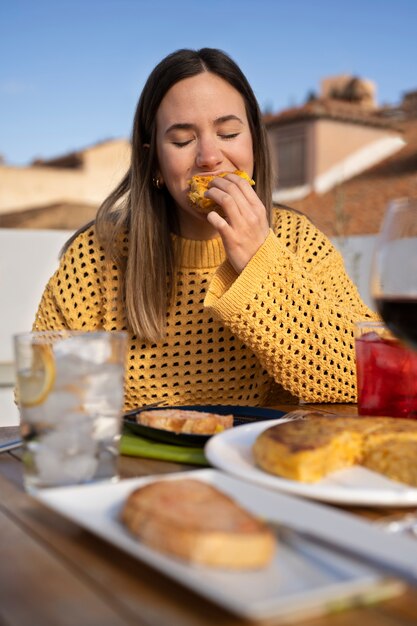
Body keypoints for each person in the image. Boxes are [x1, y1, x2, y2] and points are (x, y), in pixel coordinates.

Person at [33, 47, 375, 411]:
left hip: (261, 461)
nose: (209, 157)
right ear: (155, 164)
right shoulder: (97, 255)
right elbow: (44, 397)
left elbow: (372, 376)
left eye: (228, 134)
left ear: (255, 145)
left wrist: (262, 260)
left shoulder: (297, 239)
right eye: (182, 140)